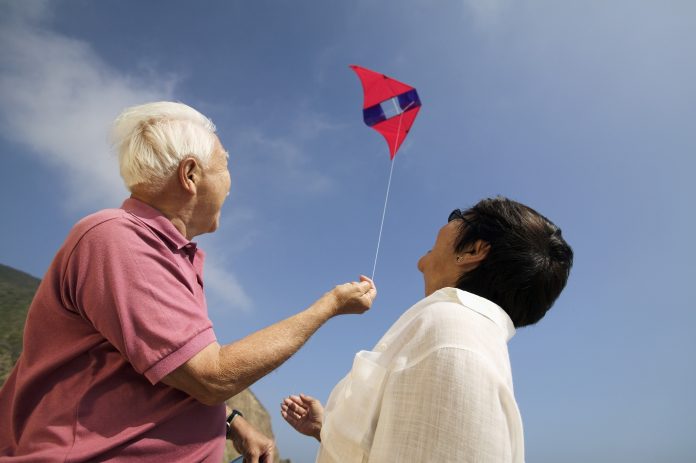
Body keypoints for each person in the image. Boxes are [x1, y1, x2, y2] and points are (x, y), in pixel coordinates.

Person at [0, 101, 377, 462]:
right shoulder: (121, 240)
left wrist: (229, 421)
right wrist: (329, 306)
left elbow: (158, 373)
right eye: (226, 165)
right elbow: (210, 376)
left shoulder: (158, 250)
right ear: (191, 174)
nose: (231, 183)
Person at [281, 197, 573, 462]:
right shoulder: (455, 332)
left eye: (458, 215)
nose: (421, 262)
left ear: (473, 250)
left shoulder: (453, 335)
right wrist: (325, 429)